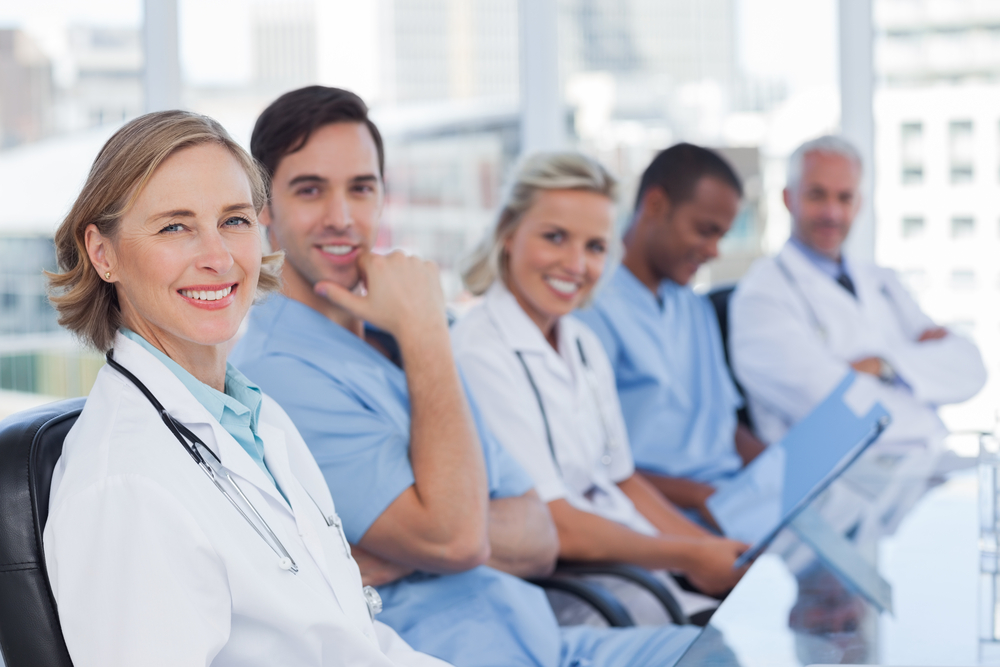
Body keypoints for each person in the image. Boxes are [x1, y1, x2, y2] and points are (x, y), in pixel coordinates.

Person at [231, 86, 700, 667]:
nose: (342, 217)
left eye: (361, 187)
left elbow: (536, 534)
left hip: (552, 641)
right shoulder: (279, 372)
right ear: (265, 209)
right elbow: (455, 538)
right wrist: (426, 334)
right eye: (310, 190)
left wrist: (425, 544)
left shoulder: (394, 337)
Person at [42, 111, 449, 667]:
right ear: (103, 253)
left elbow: (352, 638)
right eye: (174, 227)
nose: (218, 257)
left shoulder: (257, 418)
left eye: (234, 220)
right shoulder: (125, 484)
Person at [451, 151, 749, 626]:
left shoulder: (582, 340)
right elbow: (555, 524)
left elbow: (622, 478)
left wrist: (710, 550)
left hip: (631, 561)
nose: (576, 264)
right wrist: (688, 557)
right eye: (555, 238)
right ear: (509, 233)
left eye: (594, 247)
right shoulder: (478, 350)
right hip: (576, 583)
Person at [729, 136, 986, 539]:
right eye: (817, 195)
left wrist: (882, 366)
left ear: (859, 204)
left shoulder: (881, 280)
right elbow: (834, 407)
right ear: (787, 198)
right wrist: (919, 380)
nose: (832, 212)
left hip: (915, 478)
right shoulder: (761, 296)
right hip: (825, 500)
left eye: (844, 197)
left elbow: (972, 368)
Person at [576, 143, 767, 529]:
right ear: (657, 204)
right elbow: (591, 465)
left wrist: (784, 470)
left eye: (722, 236)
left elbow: (724, 426)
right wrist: (701, 497)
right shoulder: (593, 310)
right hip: (661, 517)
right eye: (704, 230)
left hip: (731, 504)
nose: (713, 250)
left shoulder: (692, 307)